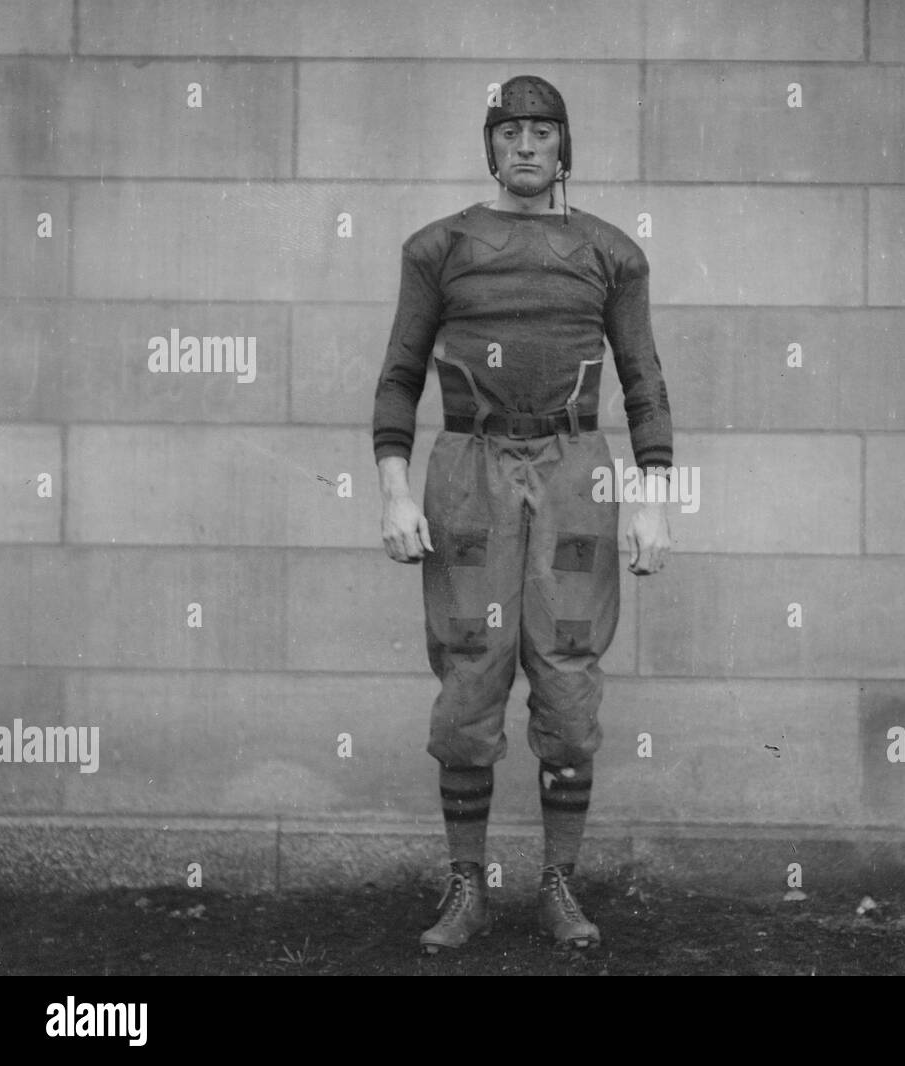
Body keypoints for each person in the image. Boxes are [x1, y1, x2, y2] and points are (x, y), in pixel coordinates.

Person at [372, 75, 674, 953]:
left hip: (577, 466)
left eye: (545, 132)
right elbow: (398, 377)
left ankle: (558, 886)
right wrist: (393, 489)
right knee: (471, 674)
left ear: (565, 146)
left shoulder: (611, 254)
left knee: (569, 678)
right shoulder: (440, 248)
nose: (529, 146)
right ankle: (466, 888)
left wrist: (651, 500)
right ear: (492, 147)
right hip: (470, 465)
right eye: (512, 132)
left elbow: (645, 380)